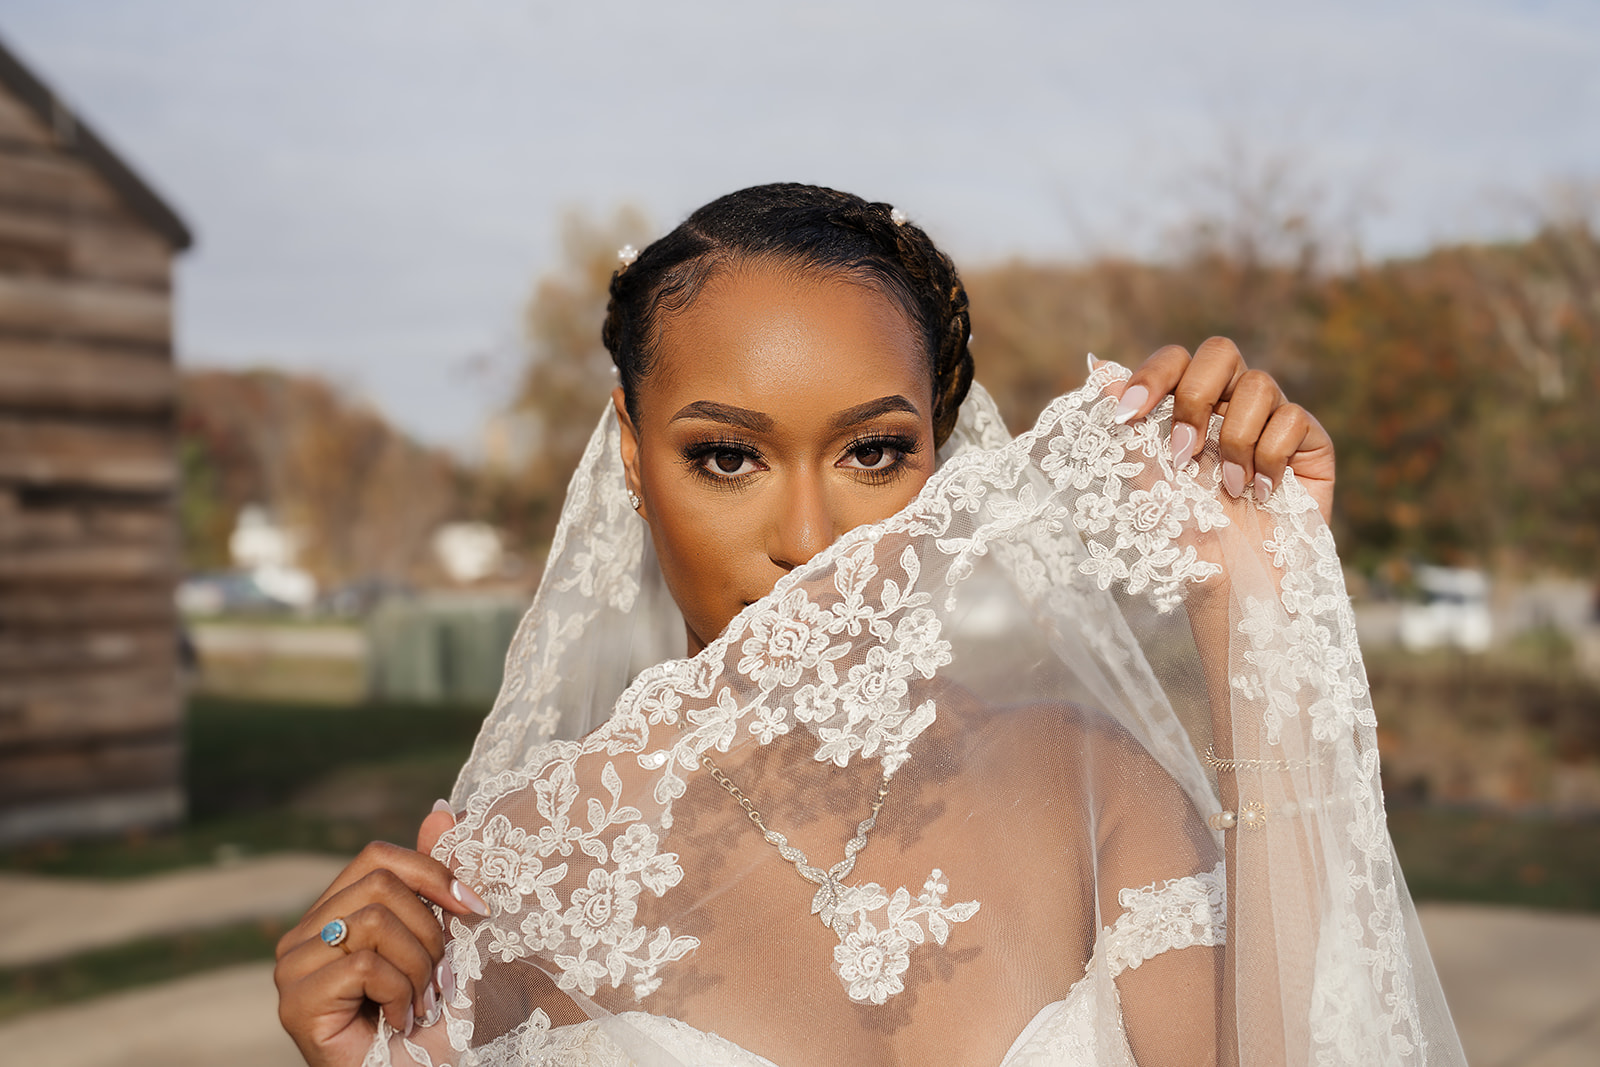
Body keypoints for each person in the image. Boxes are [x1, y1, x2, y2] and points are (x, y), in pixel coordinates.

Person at [275, 184, 1465, 1066]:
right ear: (633, 461)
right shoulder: (517, 886)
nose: (809, 537)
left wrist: (1251, 607)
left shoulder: (1085, 782)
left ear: (941, 464)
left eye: (873, 451)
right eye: (725, 456)